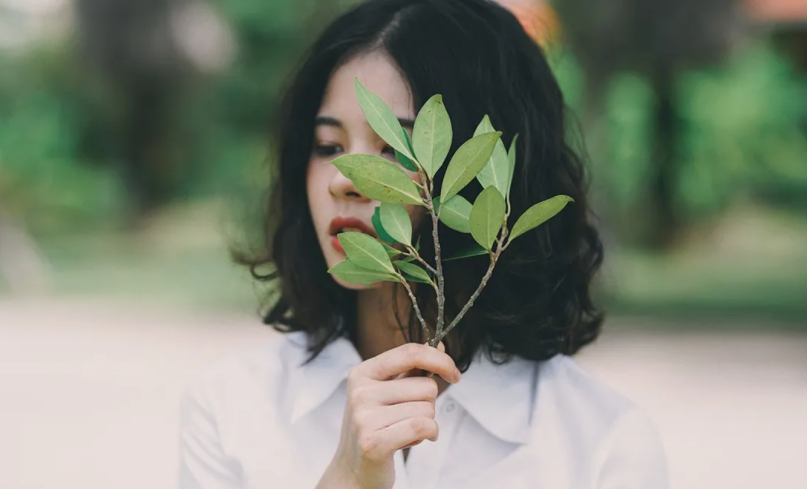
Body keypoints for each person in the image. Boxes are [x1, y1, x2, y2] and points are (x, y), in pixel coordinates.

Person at [178, 0, 668, 488]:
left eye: (394, 148)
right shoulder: (232, 408)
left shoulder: (602, 444)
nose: (342, 181)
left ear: (487, 177)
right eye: (328, 147)